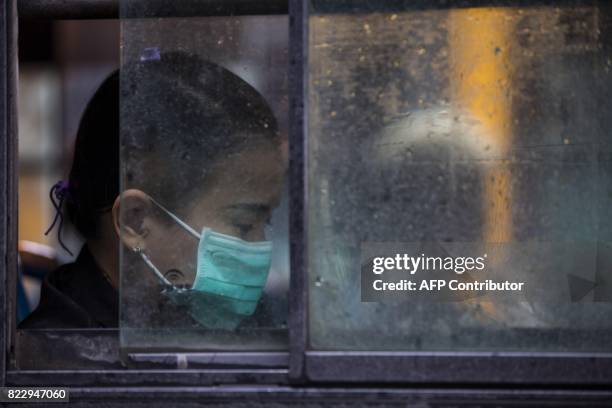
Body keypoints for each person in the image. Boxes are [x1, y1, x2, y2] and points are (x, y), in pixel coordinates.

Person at [19, 51, 285, 330]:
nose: (260, 248)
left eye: (264, 223)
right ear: (136, 221)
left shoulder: (185, 320)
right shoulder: (62, 356)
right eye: (243, 224)